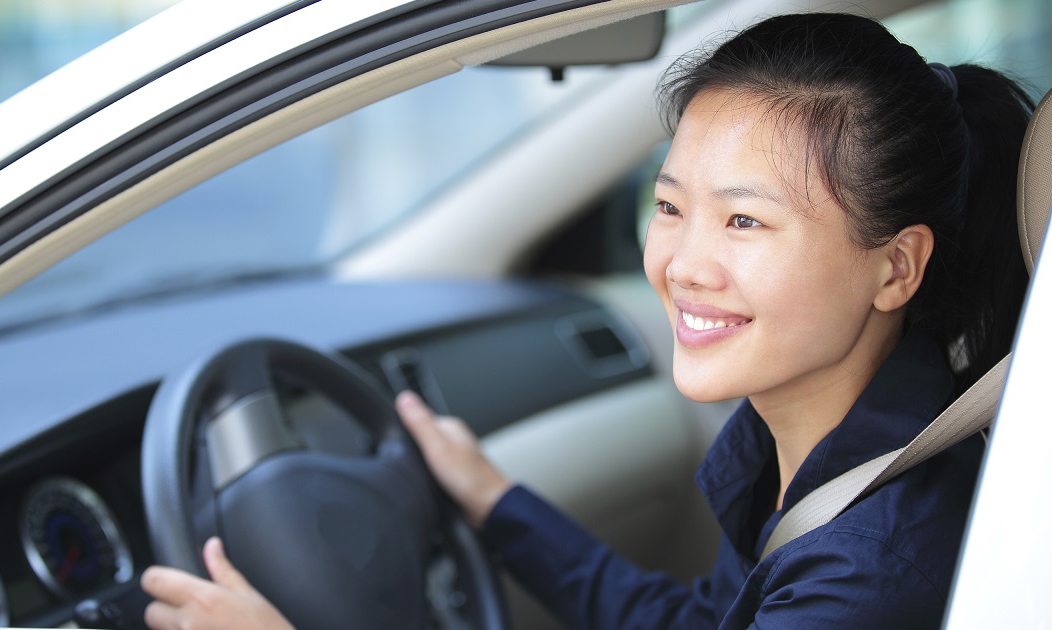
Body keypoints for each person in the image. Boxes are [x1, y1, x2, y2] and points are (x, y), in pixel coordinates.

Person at [139, 12, 1035, 629]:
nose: (683, 264)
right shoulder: (826, 435)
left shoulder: (870, 570)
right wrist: (495, 502)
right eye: (671, 205)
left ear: (896, 266)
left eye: (746, 221)